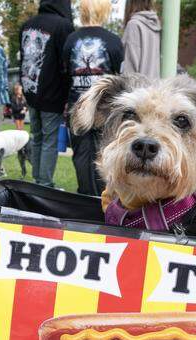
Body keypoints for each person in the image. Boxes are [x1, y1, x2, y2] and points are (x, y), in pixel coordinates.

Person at [64, 0, 123, 196]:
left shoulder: (70, 40)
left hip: (77, 105)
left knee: (80, 154)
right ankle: (104, 195)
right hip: (106, 109)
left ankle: (85, 195)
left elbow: (65, 73)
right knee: (105, 151)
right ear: (104, 11)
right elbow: (119, 76)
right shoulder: (113, 40)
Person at [19, 0, 73, 188]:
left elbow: (23, 60)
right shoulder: (63, 25)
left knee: (36, 136)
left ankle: (37, 179)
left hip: (31, 90)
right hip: (53, 93)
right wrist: (68, 95)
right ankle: (45, 183)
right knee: (49, 139)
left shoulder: (27, 25)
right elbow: (66, 63)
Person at [122, 0, 161, 79]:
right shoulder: (157, 25)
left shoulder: (133, 25)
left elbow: (130, 68)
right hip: (156, 86)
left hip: (138, 88)